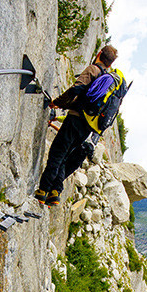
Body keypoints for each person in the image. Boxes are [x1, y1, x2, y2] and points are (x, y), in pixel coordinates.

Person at [34, 44, 118, 206]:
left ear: (99, 53)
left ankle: (43, 190)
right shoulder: (108, 80)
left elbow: (76, 89)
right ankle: (55, 192)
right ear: (111, 63)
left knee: (57, 153)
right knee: (64, 156)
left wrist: (57, 103)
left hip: (75, 119)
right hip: (88, 127)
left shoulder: (93, 70)